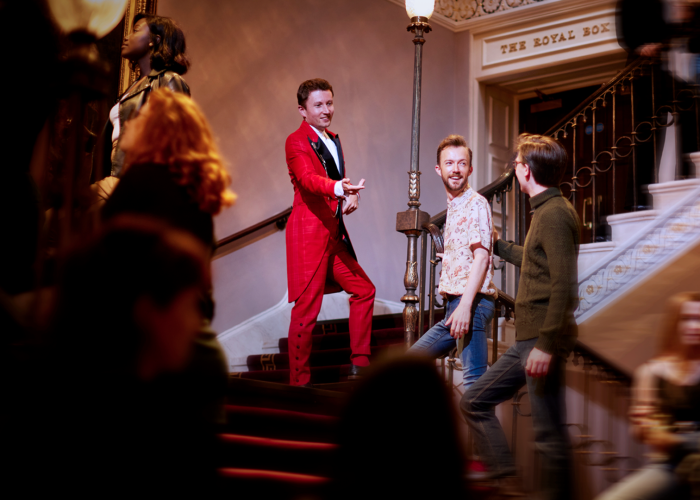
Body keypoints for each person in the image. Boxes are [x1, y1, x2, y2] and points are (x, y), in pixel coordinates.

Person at [35, 217, 222, 496]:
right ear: (148, 313)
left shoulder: (58, 405)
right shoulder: (147, 437)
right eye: (189, 306)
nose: (197, 324)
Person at [460, 134, 581, 500]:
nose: (513, 167)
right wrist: (495, 245)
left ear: (525, 171)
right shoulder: (546, 211)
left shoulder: (556, 214)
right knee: (474, 401)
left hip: (539, 340)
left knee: (549, 436)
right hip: (530, 340)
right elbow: (535, 260)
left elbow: (565, 286)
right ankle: (506, 479)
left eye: (516, 163)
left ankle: (512, 482)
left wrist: (545, 345)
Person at [285, 78, 375, 387]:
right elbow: (308, 179)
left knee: (364, 290)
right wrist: (338, 188)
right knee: (306, 311)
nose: (327, 110)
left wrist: (350, 195)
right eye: (319, 105)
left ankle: (360, 364)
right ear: (303, 110)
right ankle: (298, 383)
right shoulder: (295, 141)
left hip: (333, 234)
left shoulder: (334, 138)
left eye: (330, 103)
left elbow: (338, 180)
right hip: (309, 235)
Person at [407, 134, 496, 390]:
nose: (455, 169)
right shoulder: (455, 206)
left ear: (470, 168)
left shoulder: (475, 203)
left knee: (474, 389)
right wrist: (453, 256)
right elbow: (471, 251)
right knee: (473, 393)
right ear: (439, 169)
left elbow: (482, 257)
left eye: (461, 163)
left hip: (471, 302)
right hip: (457, 303)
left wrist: (466, 306)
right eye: (449, 163)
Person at [596, 292, 700, 500]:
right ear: (674, 324)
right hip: (671, 462)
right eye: (687, 319)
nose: (695, 326)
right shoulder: (651, 372)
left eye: (699, 320)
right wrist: (647, 427)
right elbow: (642, 430)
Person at [105, 13, 191, 179]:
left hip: (138, 179)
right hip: (118, 176)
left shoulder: (168, 80)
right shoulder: (131, 89)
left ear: (154, 40)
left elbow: (177, 143)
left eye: (136, 31)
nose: (126, 37)